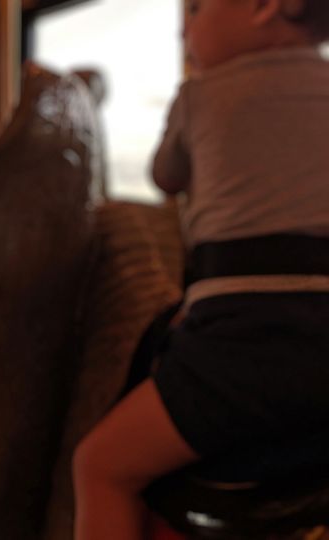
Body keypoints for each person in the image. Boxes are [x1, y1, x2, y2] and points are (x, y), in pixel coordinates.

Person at [72, 1, 329, 538]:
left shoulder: (201, 95)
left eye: (199, 8)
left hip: (244, 344)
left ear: (265, 7)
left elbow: (166, 176)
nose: (185, 25)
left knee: (100, 467)